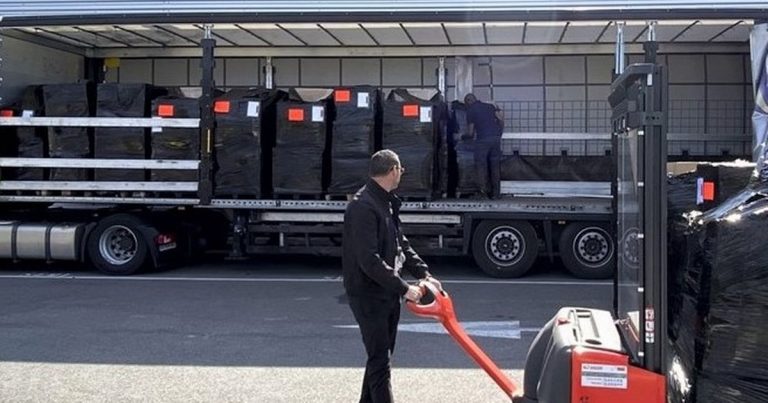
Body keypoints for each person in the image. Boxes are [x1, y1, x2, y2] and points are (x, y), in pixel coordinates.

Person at [342, 149, 443, 403]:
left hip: (386, 292)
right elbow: (369, 260)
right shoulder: (362, 207)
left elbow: (401, 243)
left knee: (380, 358)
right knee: (380, 361)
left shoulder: (385, 201)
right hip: (368, 294)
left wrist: (424, 274)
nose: (401, 174)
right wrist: (404, 288)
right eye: (401, 170)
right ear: (393, 170)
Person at [464, 93, 503, 199]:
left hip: (483, 140)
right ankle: (496, 194)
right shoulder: (490, 106)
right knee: (495, 166)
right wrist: (499, 133)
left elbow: (470, 133)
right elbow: (500, 119)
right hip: (496, 139)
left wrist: (462, 136)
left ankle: (482, 193)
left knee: (481, 166)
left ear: (468, 101)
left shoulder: (471, 110)